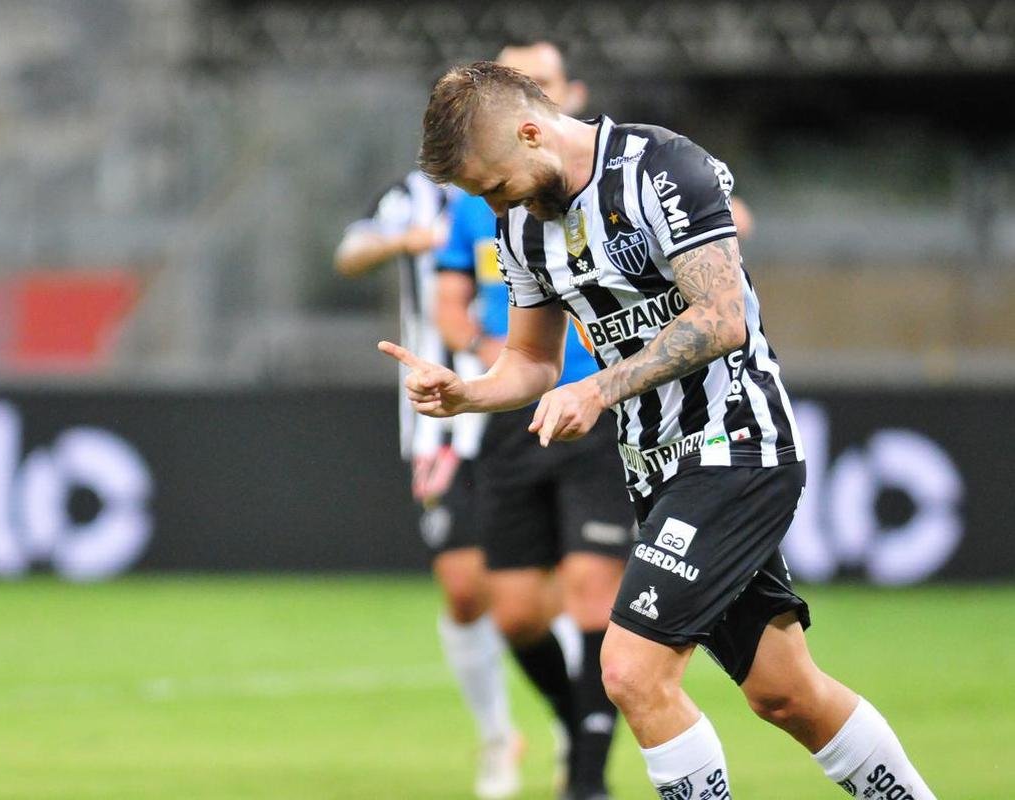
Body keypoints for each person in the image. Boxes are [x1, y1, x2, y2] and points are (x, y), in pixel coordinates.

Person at [382, 61, 937, 799]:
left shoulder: (663, 169)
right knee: (784, 693)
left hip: (736, 448)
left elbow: (720, 317)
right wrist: (470, 393)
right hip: (656, 471)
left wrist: (602, 386)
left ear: (529, 132)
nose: (493, 202)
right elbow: (530, 361)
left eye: (492, 183)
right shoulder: (521, 226)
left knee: (629, 670)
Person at [434, 41, 633, 800]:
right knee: (514, 613)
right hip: (513, 404)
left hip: (599, 410)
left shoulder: (617, 179)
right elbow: (450, 299)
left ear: (557, 99)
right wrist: (474, 357)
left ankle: (585, 780)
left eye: (545, 84)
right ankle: (575, 719)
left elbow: (720, 214)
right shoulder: (486, 204)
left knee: (591, 594)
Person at [334, 173, 522, 799]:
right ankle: (498, 736)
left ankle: (582, 729)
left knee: (551, 589)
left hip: (527, 396)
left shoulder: (552, 175)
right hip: (440, 417)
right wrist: (408, 240)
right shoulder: (411, 196)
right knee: (465, 586)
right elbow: (350, 252)